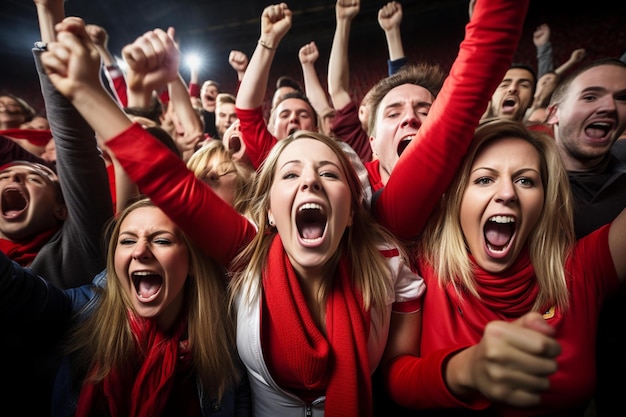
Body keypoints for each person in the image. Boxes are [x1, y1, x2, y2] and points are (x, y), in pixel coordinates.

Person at [41, 18, 425, 416]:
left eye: (328, 173)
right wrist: (87, 93)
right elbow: (172, 183)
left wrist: (455, 375)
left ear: (350, 214)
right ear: (271, 212)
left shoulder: (391, 266)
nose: (309, 181)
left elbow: (399, 377)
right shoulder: (247, 250)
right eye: (290, 174)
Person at [380, 118, 626, 416]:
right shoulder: (424, 265)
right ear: (457, 196)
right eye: (485, 179)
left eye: (526, 180)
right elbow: (394, 378)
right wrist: (465, 370)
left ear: (544, 200)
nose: (508, 193)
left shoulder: (583, 267)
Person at [0, 198, 251, 416]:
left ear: (193, 264)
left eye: (162, 241)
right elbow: (13, 287)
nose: (140, 251)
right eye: (127, 241)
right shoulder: (82, 310)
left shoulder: (227, 340)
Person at [544, 57, 626, 417]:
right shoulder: (526, 185)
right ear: (554, 113)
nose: (609, 106)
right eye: (591, 96)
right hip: (557, 367)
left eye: (623, 98)